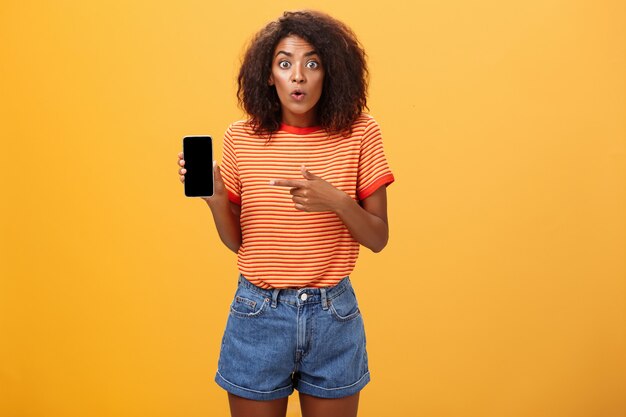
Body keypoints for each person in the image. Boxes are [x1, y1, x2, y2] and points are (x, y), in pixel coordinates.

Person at [177, 10, 394, 417]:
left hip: (333, 316)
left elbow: (378, 238)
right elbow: (237, 242)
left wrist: (337, 200)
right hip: (258, 314)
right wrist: (216, 198)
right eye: (284, 63)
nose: (298, 76)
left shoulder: (361, 132)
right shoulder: (240, 138)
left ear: (330, 73)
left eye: (312, 63)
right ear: (267, 74)